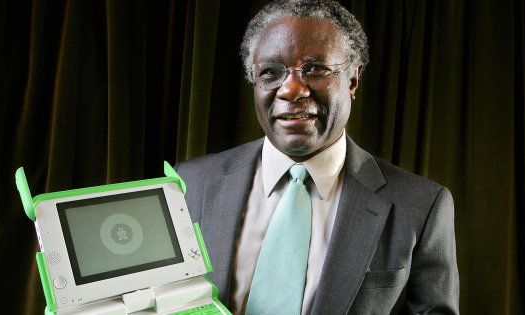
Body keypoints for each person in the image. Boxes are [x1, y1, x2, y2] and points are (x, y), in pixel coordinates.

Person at [176, 0, 459, 314]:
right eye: (271, 72)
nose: (291, 89)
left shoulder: (420, 205)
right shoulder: (192, 184)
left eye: (315, 69)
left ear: (352, 79)